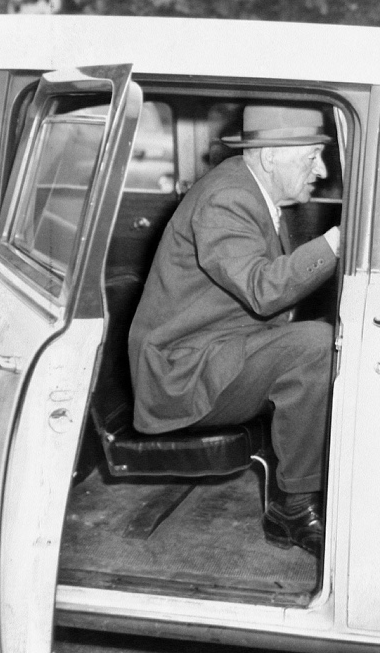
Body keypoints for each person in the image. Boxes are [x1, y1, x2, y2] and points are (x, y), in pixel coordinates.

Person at [128, 104, 339, 557]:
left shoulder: (251, 191)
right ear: (269, 157)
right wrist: (336, 244)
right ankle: (293, 506)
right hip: (184, 372)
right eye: (311, 158)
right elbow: (265, 290)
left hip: (219, 350)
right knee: (316, 346)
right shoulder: (228, 197)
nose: (321, 170)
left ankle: (312, 485)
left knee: (330, 337)